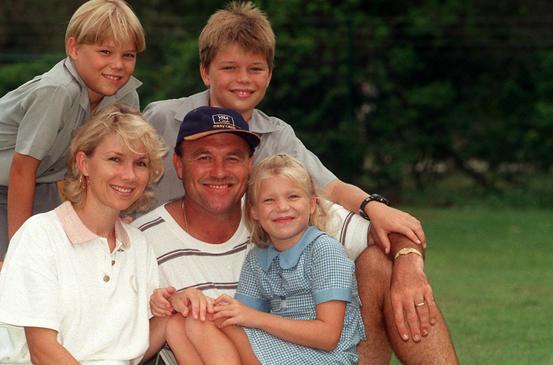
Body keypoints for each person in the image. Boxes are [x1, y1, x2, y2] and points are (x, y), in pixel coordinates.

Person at [136, 106, 458, 364]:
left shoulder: (298, 215)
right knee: (186, 321)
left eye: (232, 158)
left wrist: (408, 267)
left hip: (317, 349)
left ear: (249, 165)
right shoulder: (141, 239)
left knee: (381, 263)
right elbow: (125, 339)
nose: (219, 170)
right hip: (249, 344)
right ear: (179, 165)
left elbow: (395, 231)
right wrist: (176, 302)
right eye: (204, 157)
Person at [142, 1, 424, 255]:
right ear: (206, 72)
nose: (243, 79)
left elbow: (332, 187)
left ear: (269, 76)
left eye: (255, 69)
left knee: (378, 257)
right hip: (158, 255)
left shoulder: (276, 135)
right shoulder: (162, 117)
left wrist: (374, 208)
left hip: (238, 262)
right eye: (229, 68)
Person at [0, 0, 145, 356]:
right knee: (11, 284)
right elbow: (22, 166)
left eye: (128, 55)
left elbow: (113, 156)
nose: (118, 65)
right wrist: (20, 250)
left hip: (41, 178)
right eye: (104, 51)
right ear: (74, 48)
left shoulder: (125, 92)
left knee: (57, 282)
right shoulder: (57, 91)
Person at [0, 104, 166, 364]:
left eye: (140, 163)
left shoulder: (139, 245)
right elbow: (42, 352)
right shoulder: (40, 235)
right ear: (84, 164)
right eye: (115, 159)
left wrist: (178, 307)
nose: (129, 175)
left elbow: (132, 346)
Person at [168, 153, 365, 364]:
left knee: (207, 325)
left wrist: (255, 318)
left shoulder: (324, 250)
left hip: (324, 356)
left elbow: (328, 337)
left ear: (312, 205)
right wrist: (191, 300)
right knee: (179, 323)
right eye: (269, 200)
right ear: (254, 211)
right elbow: (239, 315)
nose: (282, 207)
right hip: (283, 346)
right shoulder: (257, 258)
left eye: (293, 197)